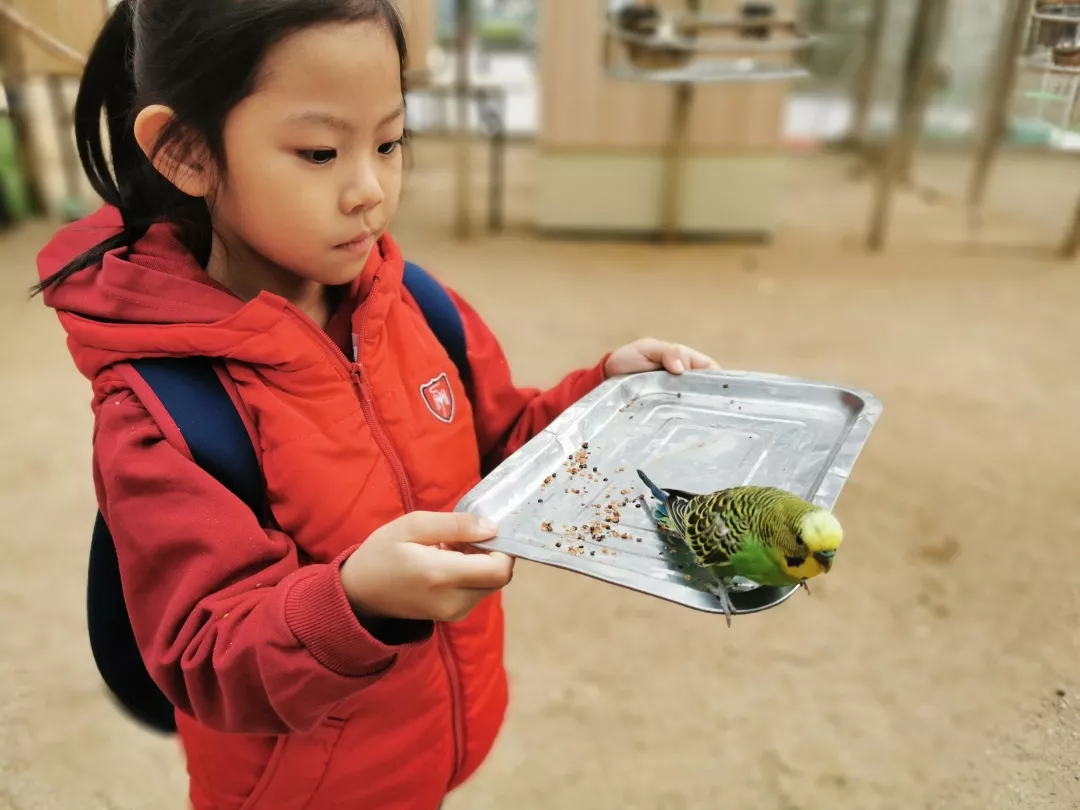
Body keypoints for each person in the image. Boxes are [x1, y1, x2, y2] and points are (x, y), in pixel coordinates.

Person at [33, 1, 720, 808]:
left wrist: (605, 392)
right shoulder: (165, 406)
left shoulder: (413, 305)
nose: (370, 191)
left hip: (425, 747)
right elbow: (204, 655)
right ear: (186, 152)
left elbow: (501, 448)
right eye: (320, 152)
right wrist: (352, 603)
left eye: (390, 141)